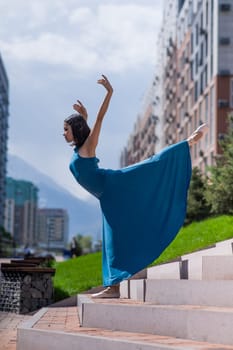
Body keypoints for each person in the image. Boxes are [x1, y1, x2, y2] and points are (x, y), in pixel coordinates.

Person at [63, 74, 208, 298]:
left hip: (113, 186)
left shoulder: (88, 147)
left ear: (75, 130)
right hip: (107, 195)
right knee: (113, 238)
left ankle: (190, 140)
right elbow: (90, 127)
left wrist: (109, 93)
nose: (63, 133)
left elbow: (100, 121)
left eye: (66, 129)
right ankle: (113, 286)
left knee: (152, 165)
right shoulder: (81, 147)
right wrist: (83, 116)